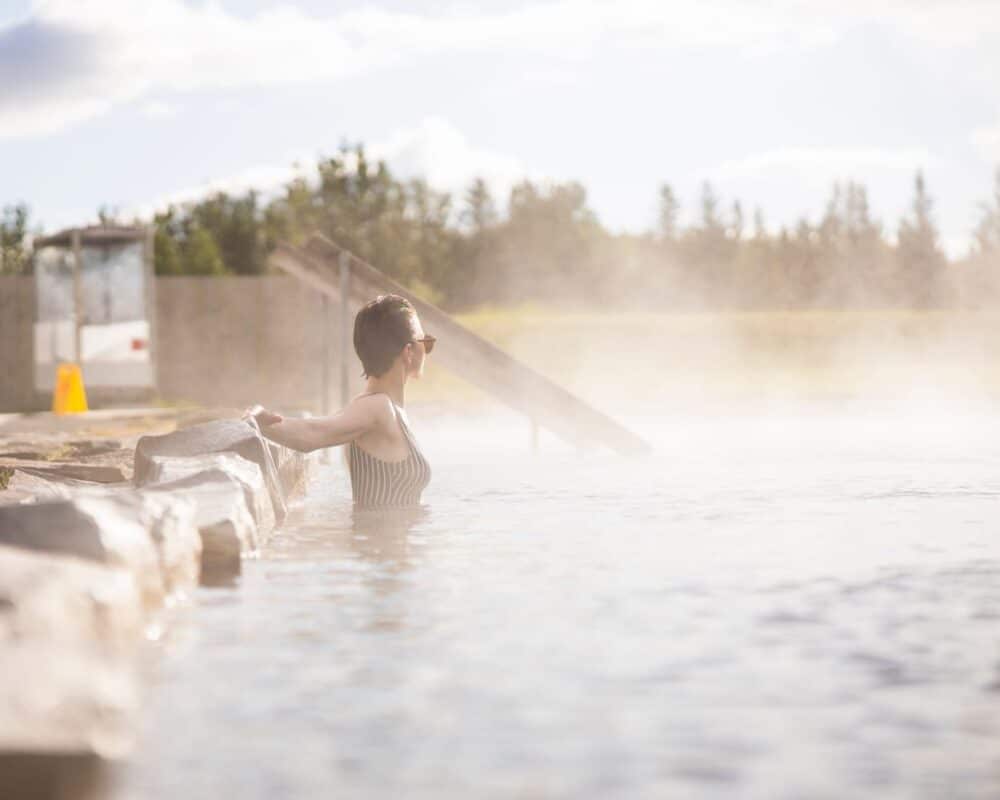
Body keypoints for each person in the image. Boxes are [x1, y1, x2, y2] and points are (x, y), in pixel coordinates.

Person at [248, 294, 434, 507]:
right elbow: (314, 433)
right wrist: (260, 423)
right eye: (425, 342)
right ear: (408, 352)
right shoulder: (377, 408)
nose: (428, 349)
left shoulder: (386, 409)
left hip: (387, 538)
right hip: (380, 538)